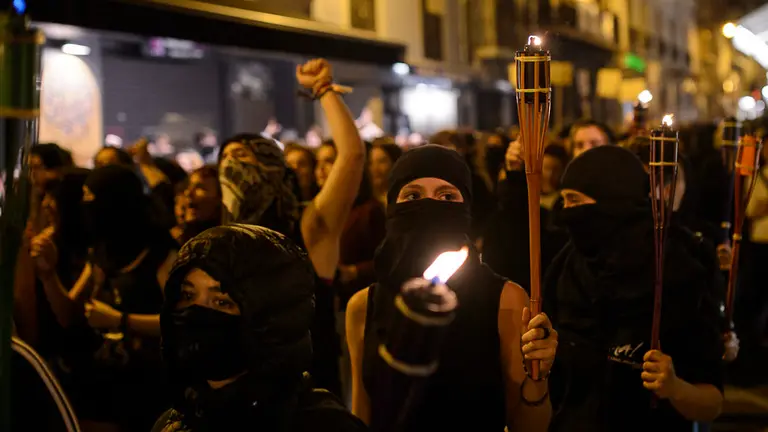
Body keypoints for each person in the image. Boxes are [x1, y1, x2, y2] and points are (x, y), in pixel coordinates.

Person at [346, 145, 557, 431]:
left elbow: (528, 426)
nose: (430, 206)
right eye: (413, 195)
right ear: (392, 206)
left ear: (466, 207)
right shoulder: (363, 306)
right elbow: (362, 414)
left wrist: (538, 376)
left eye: (446, 196)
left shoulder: (504, 299)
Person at [543, 146, 724, 431]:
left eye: (575, 201)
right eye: (564, 201)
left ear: (613, 201)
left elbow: (712, 403)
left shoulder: (677, 272)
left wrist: (674, 387)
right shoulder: (567, 267)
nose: (566, 213)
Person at [218, 58, 365, 396]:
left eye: (241, 156)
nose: (228, 165)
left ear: (272, 169)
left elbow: (352, 157)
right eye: (224, 158)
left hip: (306, 400)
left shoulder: (308, 226)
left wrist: (323, 90)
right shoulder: (218, 241)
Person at [153, 224, 367, 431]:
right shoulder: (177, 421)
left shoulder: (321, 424)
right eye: (188, 296)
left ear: (268, 319)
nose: (195, 314)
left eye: (222, 302)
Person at [368, 138, 402, 208]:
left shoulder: (403, 199)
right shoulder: (365, 204)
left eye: (381, 161)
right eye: (370, 163)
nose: (375, 168)